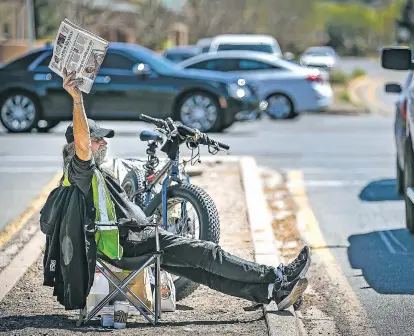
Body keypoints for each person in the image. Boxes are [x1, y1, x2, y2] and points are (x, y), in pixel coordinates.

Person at [60, 68, 310, 311]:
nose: (104, 142)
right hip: (129, 243)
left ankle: (272, 292)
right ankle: (278, 275)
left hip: (132, 240)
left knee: (199, 271)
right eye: (97, 139)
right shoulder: (80, 171)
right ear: (80, 146)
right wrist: (77, 99)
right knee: (207, 252)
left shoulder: (90, 173)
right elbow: (82, 145)